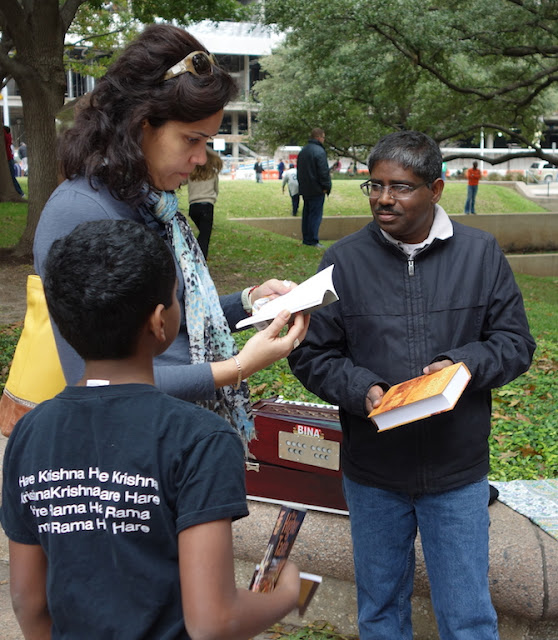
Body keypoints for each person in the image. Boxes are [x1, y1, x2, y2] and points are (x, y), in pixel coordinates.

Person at [1, 219, 301, 639]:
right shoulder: (201, 439)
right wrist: (287, 593)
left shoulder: (31, 432)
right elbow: (213, 621)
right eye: (177, 297)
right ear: (160, 321)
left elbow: (29, 602)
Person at [288, 130, 535, 640]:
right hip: (373, 471)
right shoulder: (343, 260)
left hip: (457, 471)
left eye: (399, 187)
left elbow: (515, 343)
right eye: (374, 185)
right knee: (380, 613)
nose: (383, 198)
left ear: (436, 188)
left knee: (468, 616)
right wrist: (364, 389)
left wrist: (460, 364)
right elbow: (313, 354)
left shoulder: (481, 254)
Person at [33, 24, 309, 450]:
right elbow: (96, 377)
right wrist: (235, 367)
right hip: (131, 451)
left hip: (179, 435)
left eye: (208, 141)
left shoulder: (149, 202)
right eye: (192, 140)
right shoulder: (82, 213)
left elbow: (167, 323)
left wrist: (249, 303)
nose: (201, 159)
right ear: (141, 125)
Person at [297, 127, 331, 247]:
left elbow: (300, 171)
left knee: (306, 214)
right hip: (317, 188)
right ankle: (313, 240)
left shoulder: (303, 151)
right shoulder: (319, 151)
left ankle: (307, 238)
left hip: (306, 188)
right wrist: (326, 186)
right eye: (323, 137)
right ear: (319, 137)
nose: (324, 140)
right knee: (315, 215)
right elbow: (323, 172)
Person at [187, 147, 222, 259]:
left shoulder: (191, 173)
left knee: (202, 233)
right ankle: (200, 258)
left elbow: (181, 182)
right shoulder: (213, 173)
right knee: (205, 236)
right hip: (207, 206)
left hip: (193, 207)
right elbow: (216, 189)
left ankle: (195, 253)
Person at [3, 125, 25, 196]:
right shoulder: (8, 136)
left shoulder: (6, 136)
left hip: (8, 159)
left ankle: (20, 192)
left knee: (12, 177)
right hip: (9, 158)